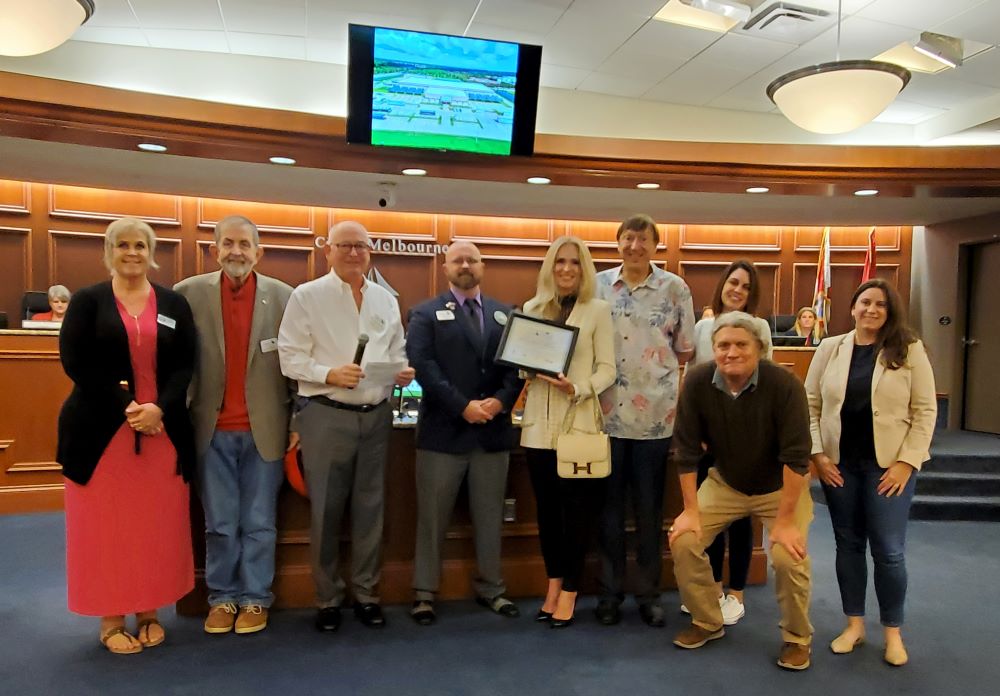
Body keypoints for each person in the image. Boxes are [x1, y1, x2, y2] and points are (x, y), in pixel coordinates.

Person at [57, 217, 196, 655]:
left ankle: (150, 612)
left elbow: (185, 365)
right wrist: (130, 409)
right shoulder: (87, 301)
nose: (132, 253)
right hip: (102, 435)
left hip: (162, 431)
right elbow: (76, 363)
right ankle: (112, 618)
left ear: (151, 252)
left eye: (140, 245)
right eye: (123, 245)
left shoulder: (174, 303)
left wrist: (159, 409)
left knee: (154, 527)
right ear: (109, 251)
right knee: (107, 530)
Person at [277, 221, 415, 633]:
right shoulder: (307, 296)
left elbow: (395, 349)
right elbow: (289, 357)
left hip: (376, 416)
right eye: (346, 246)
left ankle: (368, 595)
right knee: (326, 510)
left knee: (371, 510)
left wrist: (401, 372)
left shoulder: (384, 299)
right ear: (328, 251)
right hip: (326, 415)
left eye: (362, 247)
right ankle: (327, 599)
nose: (355, 253)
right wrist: (328, 373)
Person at [669, 311, 814, 671]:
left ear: (760, 348)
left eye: (740, 344)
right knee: (684, 540)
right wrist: (689, 511)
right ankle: (707, 620)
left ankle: (797, 639)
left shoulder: (785, 386)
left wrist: (783, 523)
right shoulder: (699, 382)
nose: (730, 352)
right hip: (726, 482)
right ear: (713, 349)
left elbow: (797, 459)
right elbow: (686, 451)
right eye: (723, 345)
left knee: (788, 556)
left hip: (781, 487)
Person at [804, 278, 936, 667]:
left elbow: (926, 411)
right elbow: (810, 404)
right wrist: (818, 456)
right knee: (848, 545)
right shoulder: (831, 348)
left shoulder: (908, 349)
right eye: (865, 303)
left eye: (880, 304)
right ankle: (854, 626)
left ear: (890, 310)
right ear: (853, 308)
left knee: (889, 551)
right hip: (839, 466)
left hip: (889, 468)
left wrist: (907, 462)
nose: (872, 310)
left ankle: (892, 633)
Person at [174, 215, 295, 635]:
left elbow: (294, 368)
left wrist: (296, 422)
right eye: (228, 243)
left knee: (260, 521)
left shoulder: (284, 297)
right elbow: (176, 364)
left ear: (258, 251)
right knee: (220, 523)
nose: (236, 252)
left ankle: (256, 600)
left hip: (267, 430)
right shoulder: (187, 295)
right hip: (209, 431)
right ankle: (223, 598)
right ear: (214, 250)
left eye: (245, 244)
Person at [405, 240, 524, 625]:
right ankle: (424, 593)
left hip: (492, 432)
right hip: (443, 433)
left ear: (482, 266)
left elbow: (515, 369)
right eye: (457, 259)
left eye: (472, 259)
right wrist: (463, 406)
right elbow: (423, 366)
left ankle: (493, 588)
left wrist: (499, 402)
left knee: (490, 517)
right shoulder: (424, 313)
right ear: (445, 267)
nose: (465, 264)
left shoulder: (506, 314)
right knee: (432, 518)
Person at [593, 214, 695, 628]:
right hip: (605, 418)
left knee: (651, 512)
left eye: (644, 239)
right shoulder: (597, 285)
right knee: (609, 513)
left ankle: (649, 595)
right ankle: (609, 594)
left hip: (656, 419)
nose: (635, 245)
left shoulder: (675, 288)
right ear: (617, 242)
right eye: (628, 238)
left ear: (656, 245)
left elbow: (685, 349)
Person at [521, 235, 616, 628]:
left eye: (574, 263)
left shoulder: (598, 311)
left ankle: (572, 591)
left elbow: (608, 369)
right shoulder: (532, 308)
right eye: (559, 262)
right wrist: (523, 366)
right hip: (537, 430)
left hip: (577, 426)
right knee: (548, 514)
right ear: (549, 266)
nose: (566, 269)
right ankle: (553, 585)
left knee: (577, 514)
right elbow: (524, 364)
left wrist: (577, 388)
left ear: (584, 268)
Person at [687, 259, 773, 625]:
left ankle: (736, 593)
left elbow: (764, 383)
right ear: (722, 285)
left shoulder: (761, 329)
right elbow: (693, 380)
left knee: (740, 519)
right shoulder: (703, 327)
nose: (737, 290)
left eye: (746, 287)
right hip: (709, 438)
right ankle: (714, 589)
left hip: (745, 440)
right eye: (733, 283)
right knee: (711, 518)